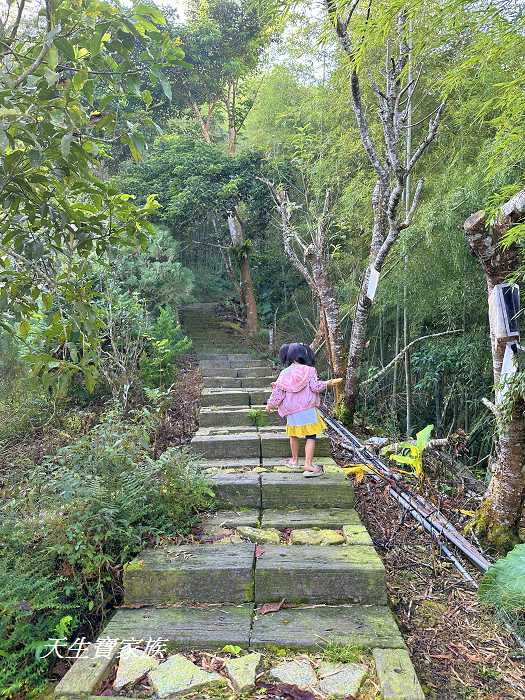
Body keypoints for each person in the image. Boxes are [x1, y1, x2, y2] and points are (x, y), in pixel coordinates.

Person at [266, 342, 342, 477]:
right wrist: (328, 383)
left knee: (293, 435)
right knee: (311, 436)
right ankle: (308, 464)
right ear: (303, 355)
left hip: (292, 411)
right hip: (307, 409)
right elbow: (315, 387)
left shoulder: (284, 373)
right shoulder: (310, 370)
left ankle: (294, 460)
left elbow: (278, 392)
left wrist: (270, 404)